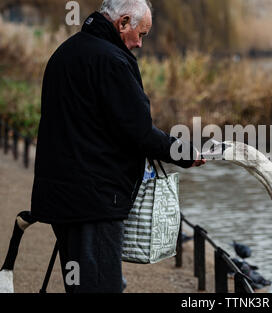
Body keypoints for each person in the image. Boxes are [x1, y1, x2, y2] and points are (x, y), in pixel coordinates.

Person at [30, 0, 205, 293]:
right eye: (141, 34)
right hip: (94, 199)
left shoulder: (66, 52)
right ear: (123, 23)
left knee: (81, 284)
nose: (139, 44)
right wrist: (185, 153)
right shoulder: (112, 61)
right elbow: (139, 133)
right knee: (101, 286)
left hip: (62, 195)